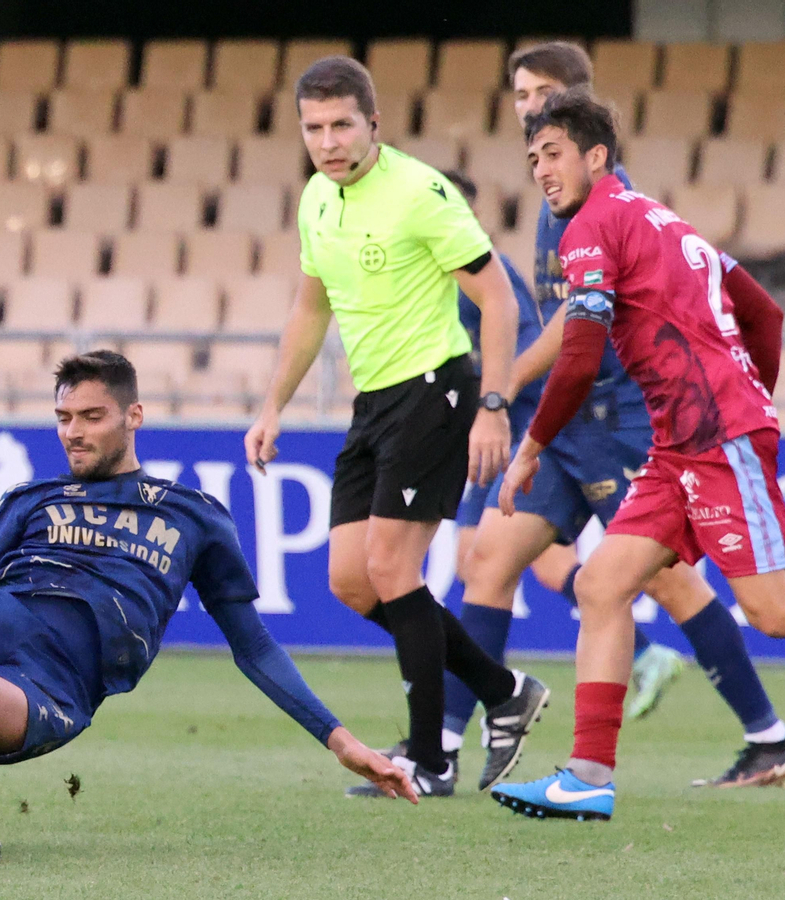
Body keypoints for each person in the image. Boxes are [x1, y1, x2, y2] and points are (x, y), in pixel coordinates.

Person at [490, 89, 785, 821]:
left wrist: (531, 445)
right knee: (601, 586)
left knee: (778, 610)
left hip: (714, 436)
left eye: (554, 152)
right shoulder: (663, 220)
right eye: (533, 156)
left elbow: (579, 354)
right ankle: (587, 776)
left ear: (597, 157)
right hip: (681, 440)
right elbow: (762, 310)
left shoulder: (590, 226)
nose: (540, 169)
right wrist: (746, 391)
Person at [0, 351, 418, 805]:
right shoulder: (31, 500)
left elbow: (255, 646)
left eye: (91, 417)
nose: (73, 433)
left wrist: (341, 739)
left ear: (134, 417)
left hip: (53, 681)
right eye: (65, 418)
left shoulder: (194, 518)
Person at [456, 42, 785, 790]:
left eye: (543, 92)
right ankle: (438, 753)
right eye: (519, 93)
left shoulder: (601, 203)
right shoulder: (560, 195)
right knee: (488, 560)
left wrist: (507, 383)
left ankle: (767, 735)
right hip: (574, 420)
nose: (528, 105)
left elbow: (576, 335)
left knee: (679, 586)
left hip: (619, 416)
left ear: (584, 113)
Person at [243, 55, 547, 798]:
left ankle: (430, 759)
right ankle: (502, 690)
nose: (328, 140)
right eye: (314, 128)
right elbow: (310, 310)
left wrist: (495, 405)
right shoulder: (316, 198)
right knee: (350, 580)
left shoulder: (419, 192)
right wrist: (273, 403)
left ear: (373, 124)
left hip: (437, 390)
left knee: (390, 570)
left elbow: (500, 300)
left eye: (342, 124)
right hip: (373, 402)